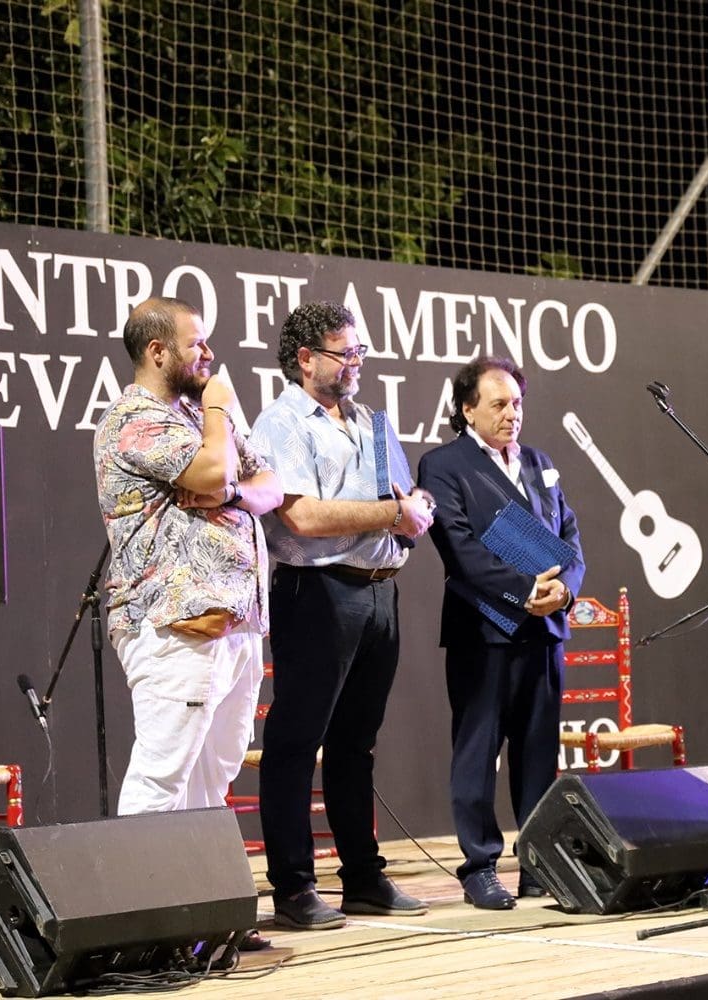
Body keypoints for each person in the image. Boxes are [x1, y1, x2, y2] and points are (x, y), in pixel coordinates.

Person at [94, 296, 282, 948]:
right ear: (158, 352)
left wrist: (224, 485)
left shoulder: (192, 414)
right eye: (197, 344)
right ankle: (141, 925)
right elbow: (212, 465)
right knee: (163, 773)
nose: (209, 355)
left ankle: (207, 915)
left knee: (214, 774)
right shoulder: (135, 420)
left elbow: (270, 484)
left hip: (233, 624)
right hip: (171, 622)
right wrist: (221, 414)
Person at [248, 300, 435, 931]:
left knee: (356, 744)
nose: (356, 362)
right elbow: (299, 515)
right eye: (343, 352)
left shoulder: (374, 421)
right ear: (305, 359)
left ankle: (362, 877)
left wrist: (418, 507)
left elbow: (402, 498)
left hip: (381, 590)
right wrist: (391, 514)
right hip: (317, 592)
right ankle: (294, 885)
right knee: (297, 743)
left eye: (359, 351)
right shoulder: (280, 423)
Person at [418, 357, 585, 910]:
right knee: (477, 750)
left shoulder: (540, 461)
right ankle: (479, 865)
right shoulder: (443, 464)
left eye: (517, 403)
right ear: (467, 410)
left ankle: (539, 862)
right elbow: (461, 551)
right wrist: (524, 589)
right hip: (482, 631)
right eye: (499, 404)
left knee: (539, 754)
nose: (512, 413)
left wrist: (564, 592)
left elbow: (571, 539)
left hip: (544, 632)